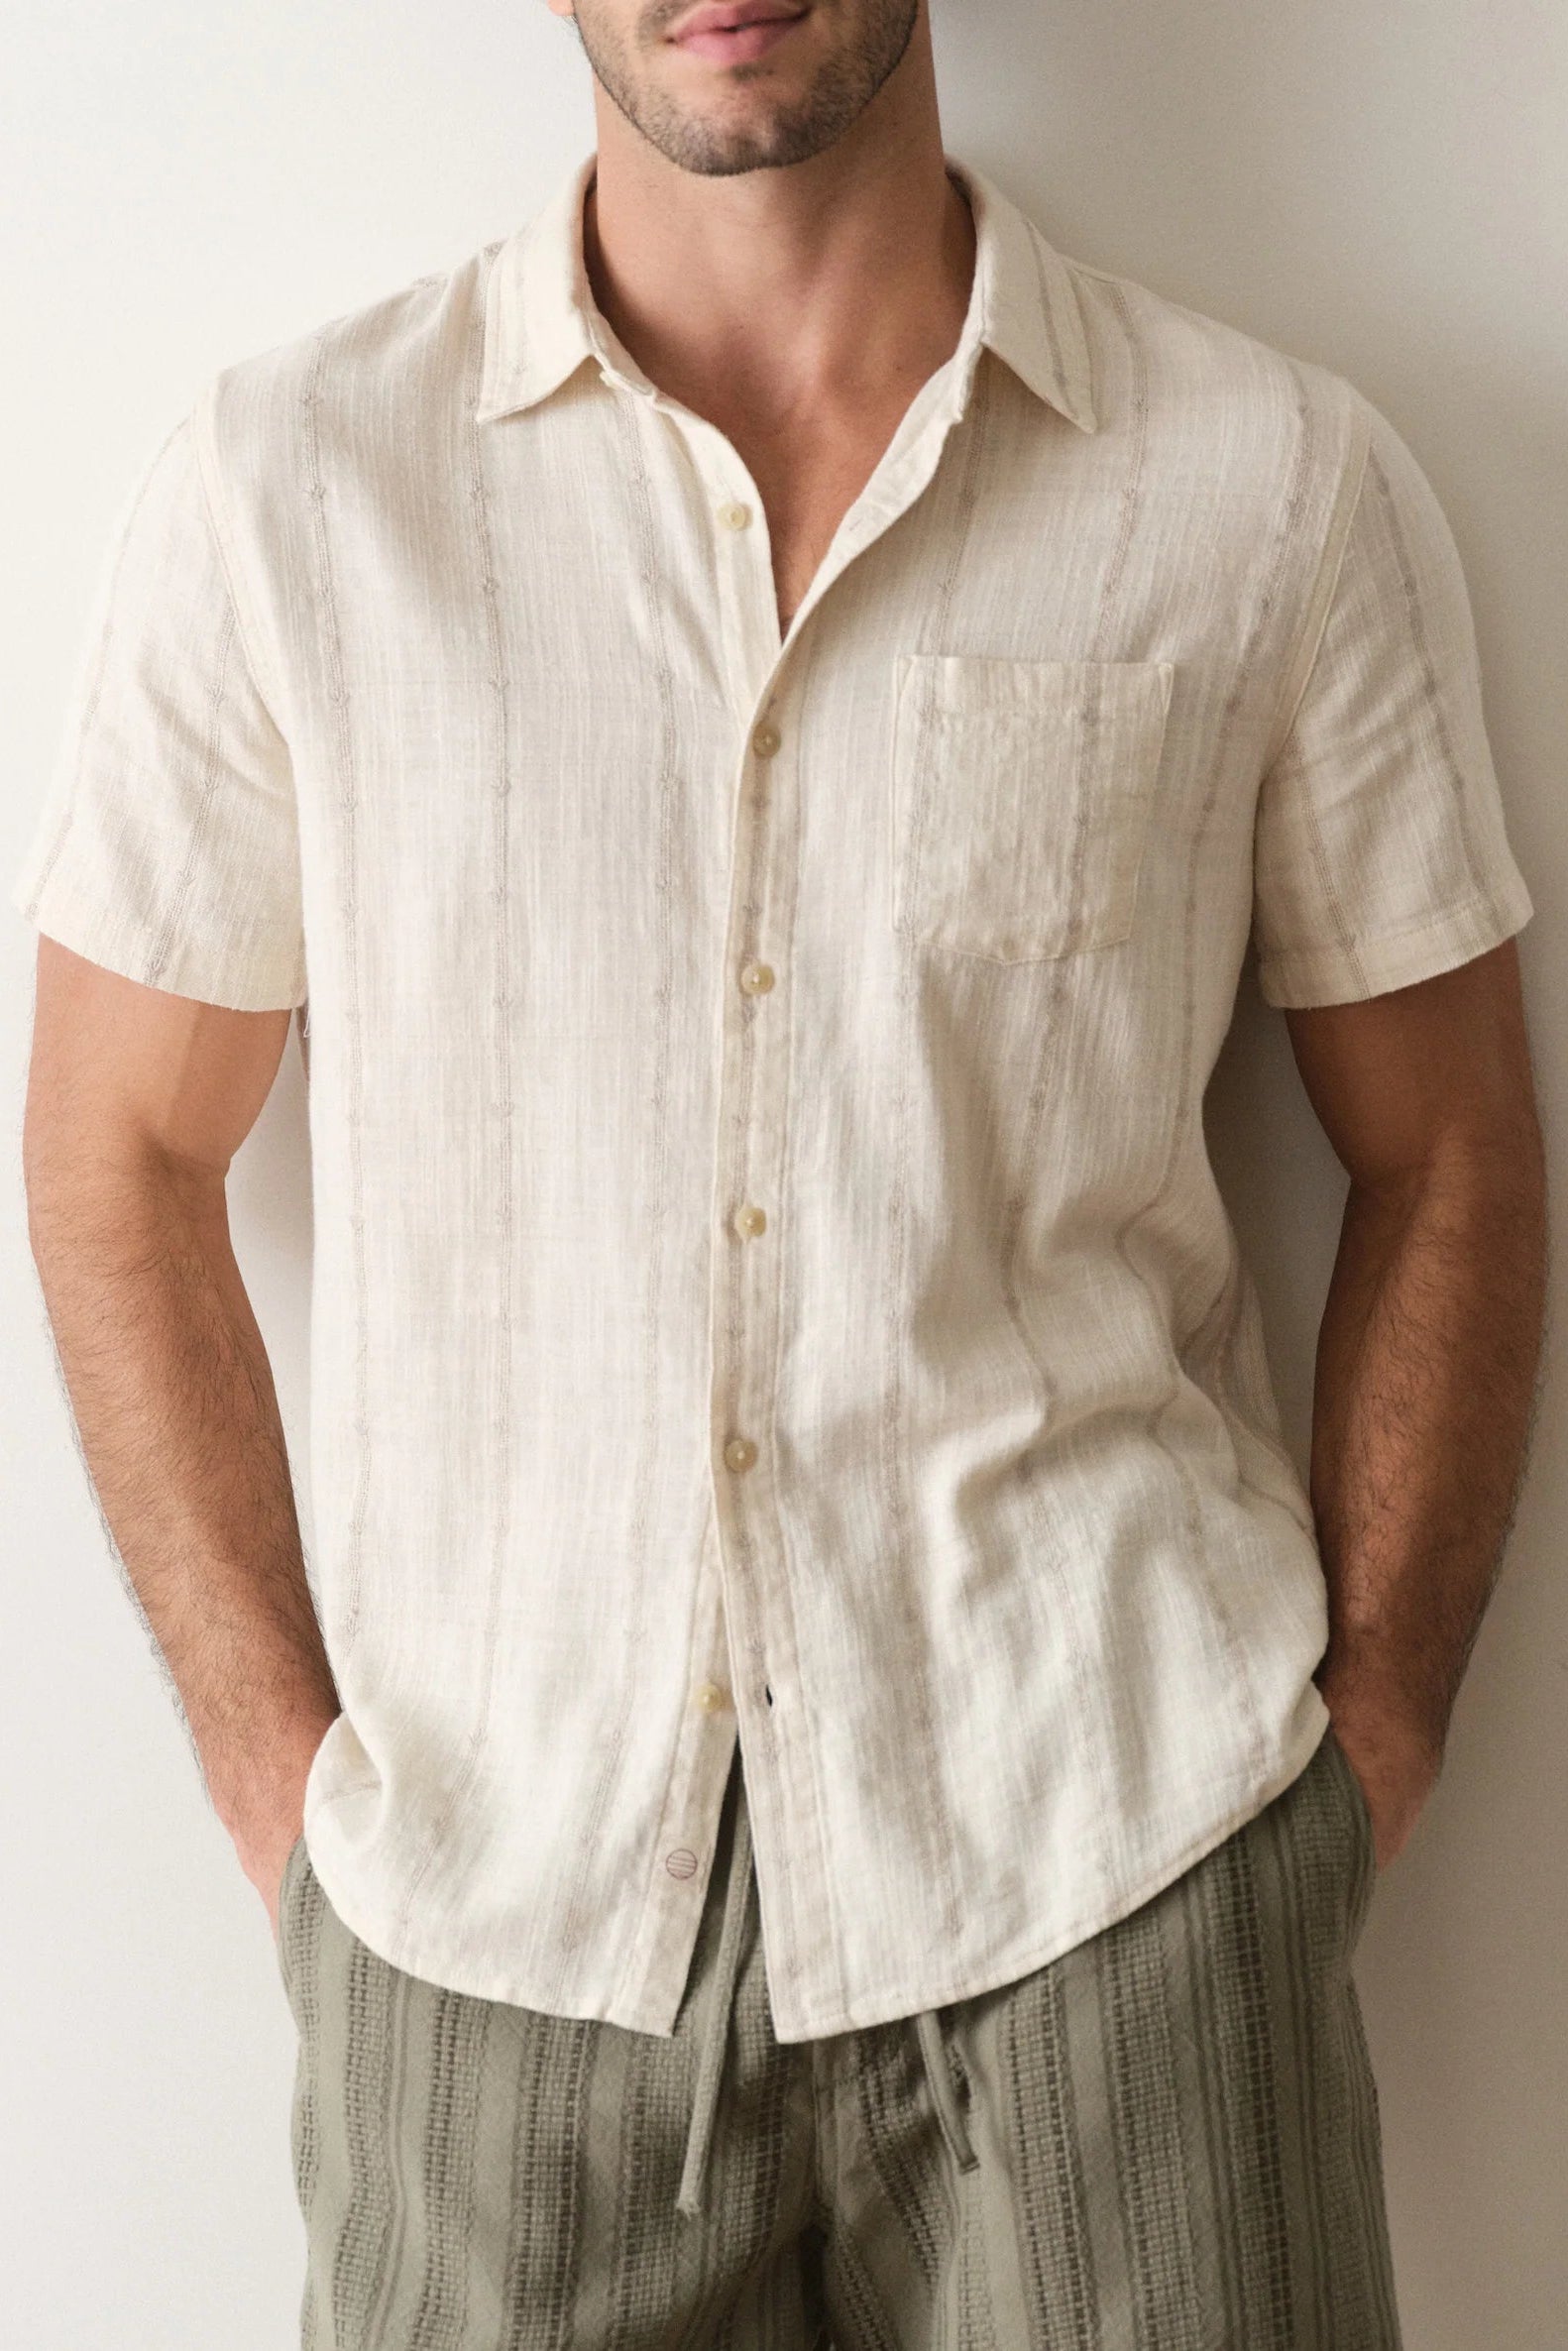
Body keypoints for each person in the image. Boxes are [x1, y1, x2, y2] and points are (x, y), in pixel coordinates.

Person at [12, 1, 1546, 2343]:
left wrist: (1363, 1761)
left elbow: (1444, 1144)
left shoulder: (1262, 482)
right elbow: (114, 1146)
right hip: (494, 1956)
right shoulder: (289, 489)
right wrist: (284, 1796)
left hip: (1121, 1896)